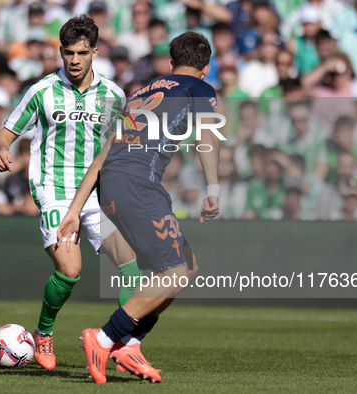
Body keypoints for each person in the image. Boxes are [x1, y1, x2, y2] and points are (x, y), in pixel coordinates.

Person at [56, 31, 220, 384]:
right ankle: (103, 338)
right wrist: (213, 189)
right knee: (175, 272)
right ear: (205, 69)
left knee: (186, 267)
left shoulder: (139, 94)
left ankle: (129, 344)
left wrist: (74, 209)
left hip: (111, 186)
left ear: (171, 64)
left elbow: (102, 158)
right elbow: (206, 139)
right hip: (139, 184)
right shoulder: (201, 89)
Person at [0, 15, 141, 372]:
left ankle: (122, 345)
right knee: (71, 269)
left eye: (82, 53)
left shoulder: (113, 95)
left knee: (134, 269)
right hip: (54, 191)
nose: (74, 60)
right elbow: (6, 131)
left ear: (95, 52)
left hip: (96, 194)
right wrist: (0, 149)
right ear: (60, 52)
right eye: (68, 53)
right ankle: (43, 333)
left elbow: (120, 149)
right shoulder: (42, 91)